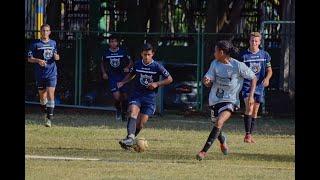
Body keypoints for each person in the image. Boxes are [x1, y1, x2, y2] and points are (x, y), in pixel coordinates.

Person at [196, 40, 257, 161]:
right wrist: (206, 81)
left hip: (231, 101)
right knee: (217, 125)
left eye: (215, 51)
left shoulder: (237, 65)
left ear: (221, 52)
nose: (214, 53)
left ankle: (203, 151)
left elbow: (253, 77)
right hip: (215, 100)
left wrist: (251, 95)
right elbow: (208, 78)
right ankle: (222, 140)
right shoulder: (215, 64)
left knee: (219, 122)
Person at [117, 43, 173, 149]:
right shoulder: (137, 64)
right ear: (141, 54)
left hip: (149, 98)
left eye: (148, 54)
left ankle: (128, 141)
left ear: (152, 54)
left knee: (141, 124)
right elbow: (131, 74)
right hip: (137, 95)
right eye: (144, 54)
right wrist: (123, 82)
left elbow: (170, 79)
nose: (146, 57)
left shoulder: (157, 66)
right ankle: (130, 138)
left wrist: (157, 84)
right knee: (132, 112)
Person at [240, 32, 273, 143]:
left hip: (259, 87)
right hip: (247, 87)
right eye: (252, 40)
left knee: (254, 112)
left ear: (259, 42)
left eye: (256, 41)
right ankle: (247, 135)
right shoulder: (243, 56)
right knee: (249, 107)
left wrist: (267, 78)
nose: (254, 42)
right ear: (249, 41)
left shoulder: (264, 55)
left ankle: (250, 135)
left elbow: (269, 70)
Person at [27, 24, 60, 127]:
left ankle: (49, 120)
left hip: (52, 73)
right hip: (40, 74)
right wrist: (38, 60)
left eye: (47, 31)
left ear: (50, 32)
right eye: (43, 30)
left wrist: (56, 57)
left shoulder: (53, 43)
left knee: (51, 95)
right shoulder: (35, 44)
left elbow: (57, 57)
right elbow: (29, 58)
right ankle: (45, 111)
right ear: (40, 32)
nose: (45, 32)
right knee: (42, 97)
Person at [101, 35, 133, 121]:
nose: (113, 43)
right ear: (109, 43)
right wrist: (104, 73)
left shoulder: (123, 51)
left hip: (123, 76)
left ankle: (124, 113)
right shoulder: (106, 53)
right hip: (113, 77)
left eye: (115, 41)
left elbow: (131, 62)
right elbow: (102, 63)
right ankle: (118, 109)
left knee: (125, 96)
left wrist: (127, 67)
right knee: (117, 97)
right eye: (111, 41)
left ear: (118, 42)